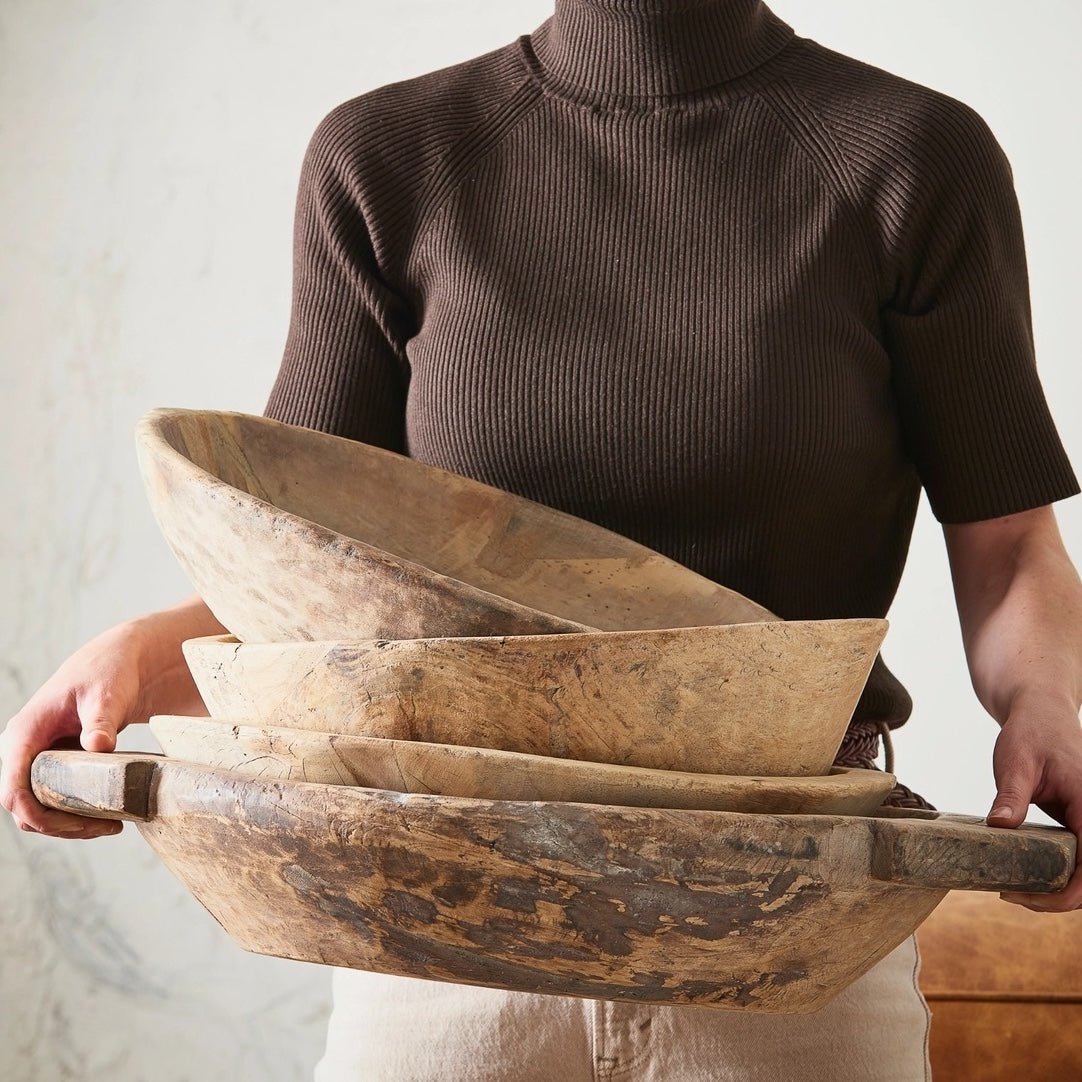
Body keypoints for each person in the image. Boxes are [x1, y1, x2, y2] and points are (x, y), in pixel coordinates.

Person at [4, 0, 1082, 1078]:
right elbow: (316, 579)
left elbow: (1006, 547)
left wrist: (1045, 701)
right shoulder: (384, 160)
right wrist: (148, 655)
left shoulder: (912, 158)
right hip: (436, 927)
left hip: (789, 928)